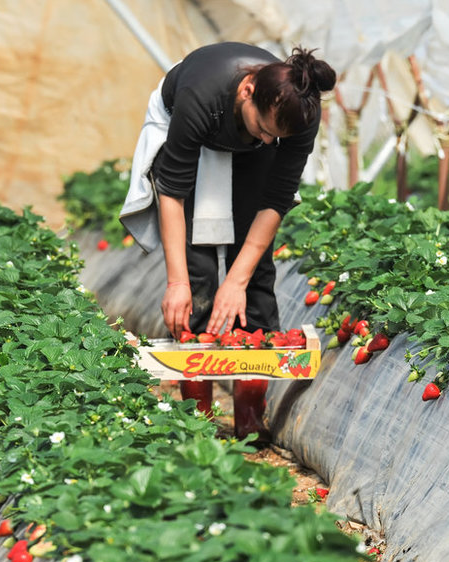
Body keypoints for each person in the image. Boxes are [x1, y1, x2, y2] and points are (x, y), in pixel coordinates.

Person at [119, 42, 336, 439]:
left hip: (241, 135)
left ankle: (250, 421)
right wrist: (177, 283)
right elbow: (173, 190)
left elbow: (275, 199)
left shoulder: (297, 111)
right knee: (196, 271)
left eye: (277, 136)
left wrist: (236, 281)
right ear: (247, 90)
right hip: (199, 125)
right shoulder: (201, 93)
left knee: (255, 274)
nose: (270, 141)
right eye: (265, 130)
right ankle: (197, 416)